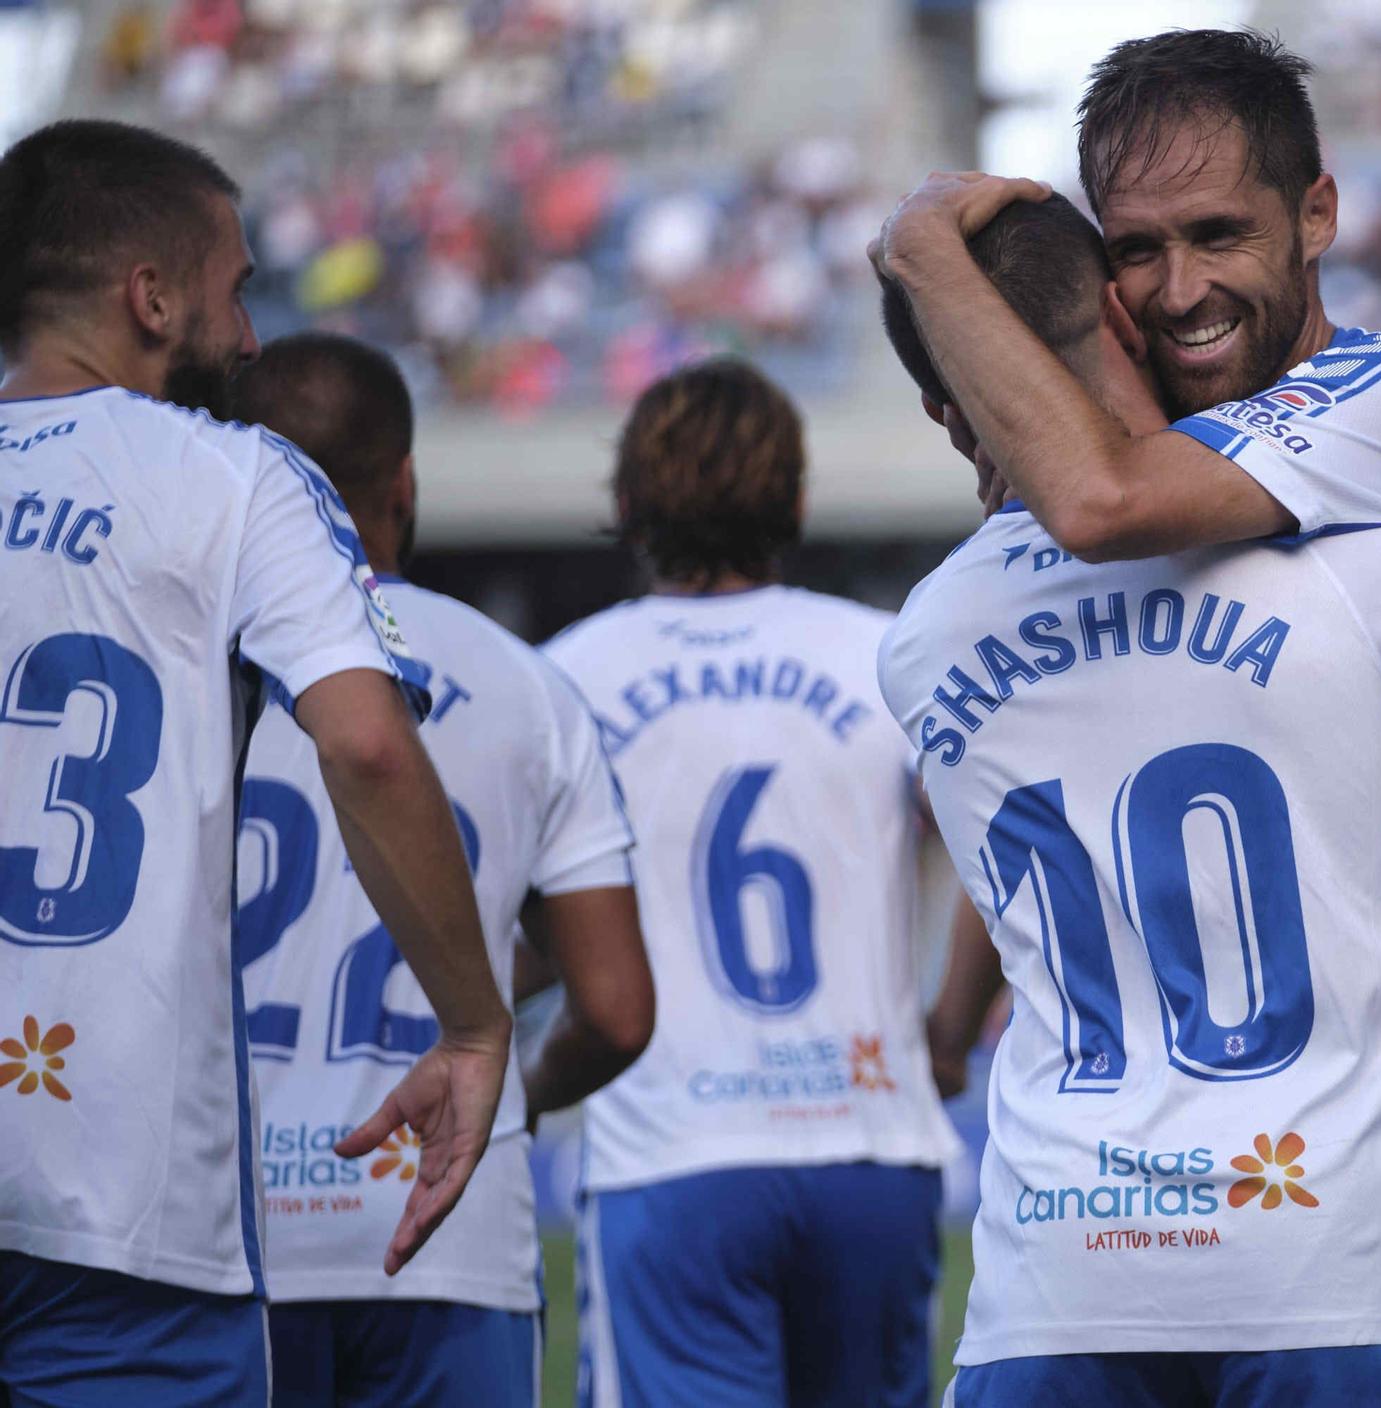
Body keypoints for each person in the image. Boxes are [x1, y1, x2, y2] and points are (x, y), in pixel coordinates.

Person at [878, 30, 1381, 1404]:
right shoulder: (1166, 484)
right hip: (1270, 1178)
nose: (1179, 291)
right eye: (1138, 251)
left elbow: (1093, 500)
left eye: (1220, 234)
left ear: (1320, 215)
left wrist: (929, 255)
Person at [0, 121, 510, 1406]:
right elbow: (366, 744)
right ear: (150, 297)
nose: (249, 339)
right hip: (119, 1197)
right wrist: (471, 1021)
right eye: (233, 290)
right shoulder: (235, 475)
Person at [227, 332, 656, 1408]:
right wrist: (511, 1090)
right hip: (446, 1223)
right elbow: (614, 1008)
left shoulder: (186, 659)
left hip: (219, 1234)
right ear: (405, 482)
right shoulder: (526, 682)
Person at [542, 358, 964, 1408]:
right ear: (793, 498)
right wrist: (949, 1030)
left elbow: (512, 912)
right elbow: (1003, 850)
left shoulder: (563, 675)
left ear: (627, 502)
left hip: (673, 1151)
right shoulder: (883, 655)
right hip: (872, 1138)